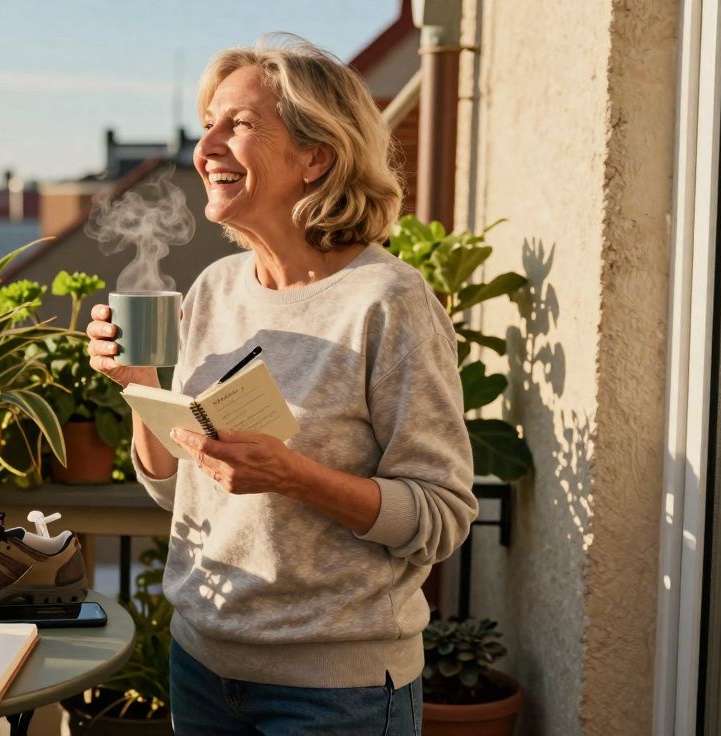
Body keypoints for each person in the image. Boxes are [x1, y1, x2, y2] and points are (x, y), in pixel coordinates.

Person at [86, 34, 476, 735]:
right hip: (202, 666)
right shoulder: (213, 291)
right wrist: (137, 384)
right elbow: (175, 488)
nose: (206, 146)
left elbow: (441, 516)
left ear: (315, 157)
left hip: (335, 694)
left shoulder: (388, 300)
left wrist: (295, 476)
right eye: (206, 123)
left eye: (236, 124)